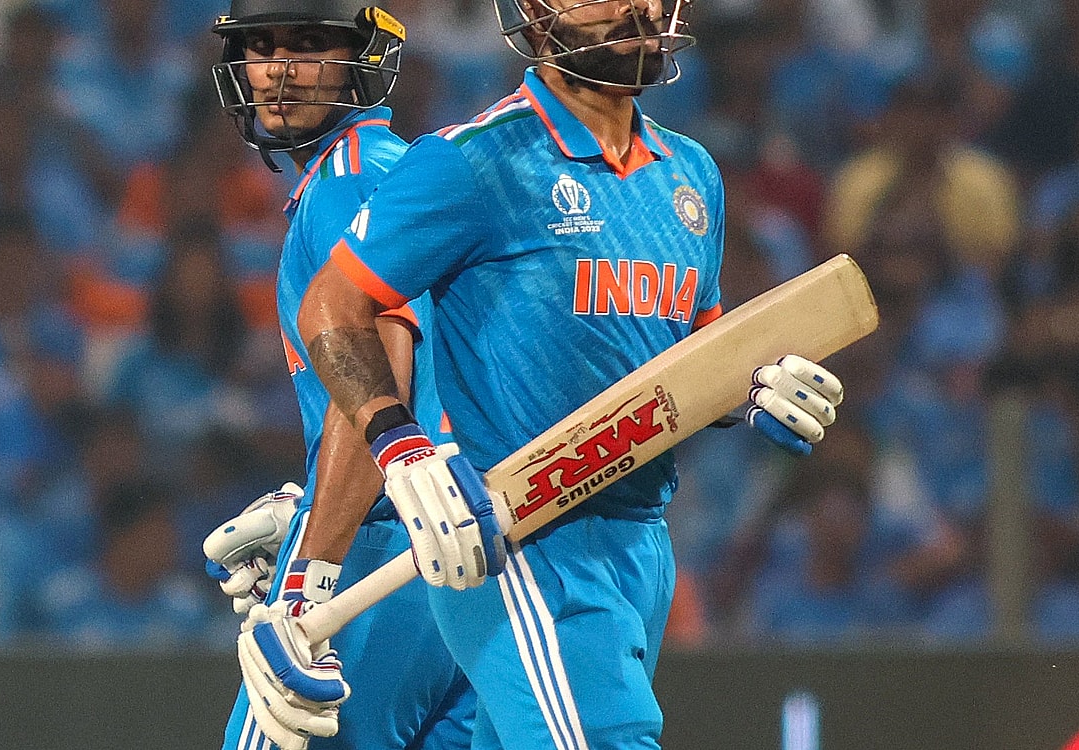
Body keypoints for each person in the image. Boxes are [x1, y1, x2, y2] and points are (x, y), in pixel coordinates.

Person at [288, 1, 847, 748]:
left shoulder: (692, 173)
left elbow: (690, 361)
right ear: (534, 13)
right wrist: (399, 445)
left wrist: (751, 389)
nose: (635, 8)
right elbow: (331, 306)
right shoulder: (473, 160)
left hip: (642, 542)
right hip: (524, 538)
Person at [200, 2, 476, 749]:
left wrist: (310, 572)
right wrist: (315, 502)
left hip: (381, 555)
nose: (280, 70)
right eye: (261, 47)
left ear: (366, 58)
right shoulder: (398, 169)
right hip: (463, 556)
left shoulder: (345, 183)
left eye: (309, 44)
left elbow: (379, 382)